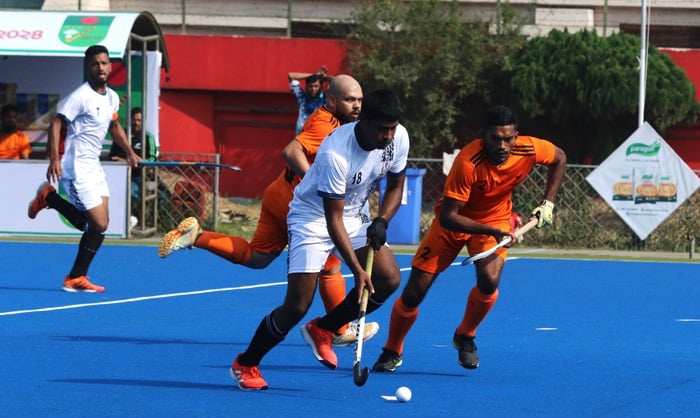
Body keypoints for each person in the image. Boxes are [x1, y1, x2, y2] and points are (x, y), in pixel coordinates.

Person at [158, 75, 378, 346]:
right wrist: (317, 183)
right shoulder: (326, 125)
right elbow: (291, 151)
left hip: (278, 194)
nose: (357, 106)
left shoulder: (337, 122)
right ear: (331, 100)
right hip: (296, 204)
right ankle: (340, 329)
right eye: (349, 100)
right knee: (329, 264)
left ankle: (196, 235)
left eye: (359, 100)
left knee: (257, 258)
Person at [230, 89, 410, 390]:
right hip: (312, 217)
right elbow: (332, 220)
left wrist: (382, 220)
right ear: (363, 121)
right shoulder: (335, 153)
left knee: (389, 278)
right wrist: (356, 269)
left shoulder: (398, 137)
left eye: (392, 128)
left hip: (355, 212)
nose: (388, 136)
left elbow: (396, 184)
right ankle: (246, 362)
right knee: (297, 304)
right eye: (382, 129)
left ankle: (324, 328)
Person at [372, 104, 566, 373]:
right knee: (415, 291)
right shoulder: (467, 162)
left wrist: (548, 203)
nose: (502, 145)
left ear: (516, 136)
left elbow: (559, 158)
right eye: (495, 138)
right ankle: (392, 350)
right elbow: (449, 217)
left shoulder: (528, 148)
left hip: (495, 218)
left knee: (490, 280)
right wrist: (492, 232)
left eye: (508, 138)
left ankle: (466, 335)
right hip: (453, 223)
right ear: (483, 135)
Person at [27, 44, 141, 293]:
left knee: (99, 224)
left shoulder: (111, 96)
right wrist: (54, 159)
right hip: (76, 167)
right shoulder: (80, 96)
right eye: (94, 64)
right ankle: (51, 198)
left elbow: (114, 127)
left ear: (110, 66)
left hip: (94, 167)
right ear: (88, 68)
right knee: (97, 224)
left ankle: (77, 276)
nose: (100, 67)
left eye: (103, 63)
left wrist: (131, 153)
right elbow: (56, 124)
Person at [108, 107, 157, 201]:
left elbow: (152, 159)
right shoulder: (122, 136)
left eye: (139, 120)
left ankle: (133, 215)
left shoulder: (147, 137)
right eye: (134, 120)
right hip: (118, 174)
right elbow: (112, 157)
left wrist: (128, 162)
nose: (136, 123)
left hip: (139, 175)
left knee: (130, 193)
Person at [289, 66, 329, 135]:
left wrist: (324, 78)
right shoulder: (301, 97)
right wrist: (314, 75)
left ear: (321, 87)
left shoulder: (326, 99)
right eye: (310, 86)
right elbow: (291, 76)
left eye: (316, 86)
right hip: (301, 138)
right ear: (306, 87)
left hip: (319, 138)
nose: (313, 89)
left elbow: (337, 81)